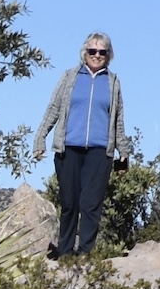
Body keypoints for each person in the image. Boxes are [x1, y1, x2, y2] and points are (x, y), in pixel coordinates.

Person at [31, 32, 132, 258]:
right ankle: (65, 251)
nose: (97, 56)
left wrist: (123, 153)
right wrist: (40, 138)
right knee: (69, 202)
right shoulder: (70, 77)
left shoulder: (113, 83)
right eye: (92, 51)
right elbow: (54, 108)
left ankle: (85, 251)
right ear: (84, 52)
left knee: (91, 204)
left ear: (109, 55)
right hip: (69, 148)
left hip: (99, 151)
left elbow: (118, 120)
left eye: (102, 52)